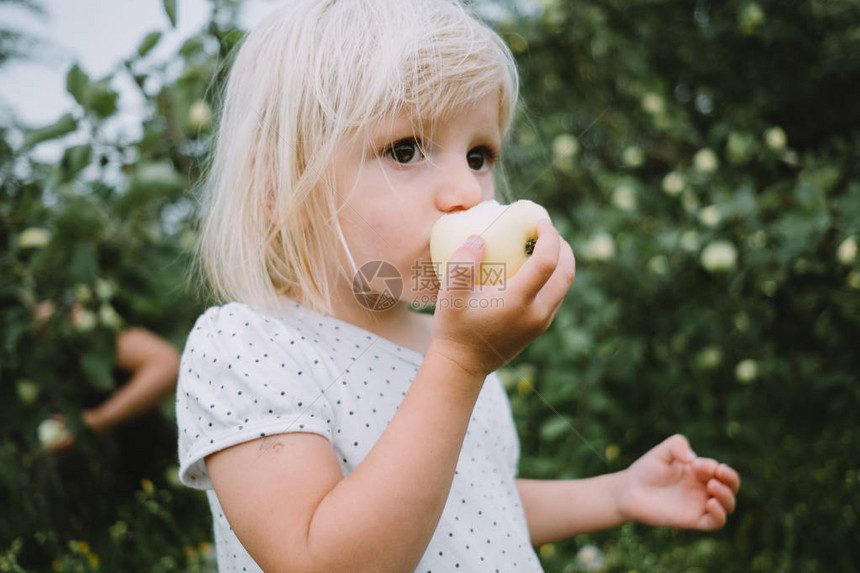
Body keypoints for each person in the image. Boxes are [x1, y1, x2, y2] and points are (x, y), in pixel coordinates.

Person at [175, 1, 741, 571]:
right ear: (282, 189)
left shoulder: (449, 347)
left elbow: (469, 507)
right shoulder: (251, 348)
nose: (467, 192)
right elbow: (318, 559)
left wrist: (616, 493)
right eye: (405, 149)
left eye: (478, 155)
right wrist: (461, 363)